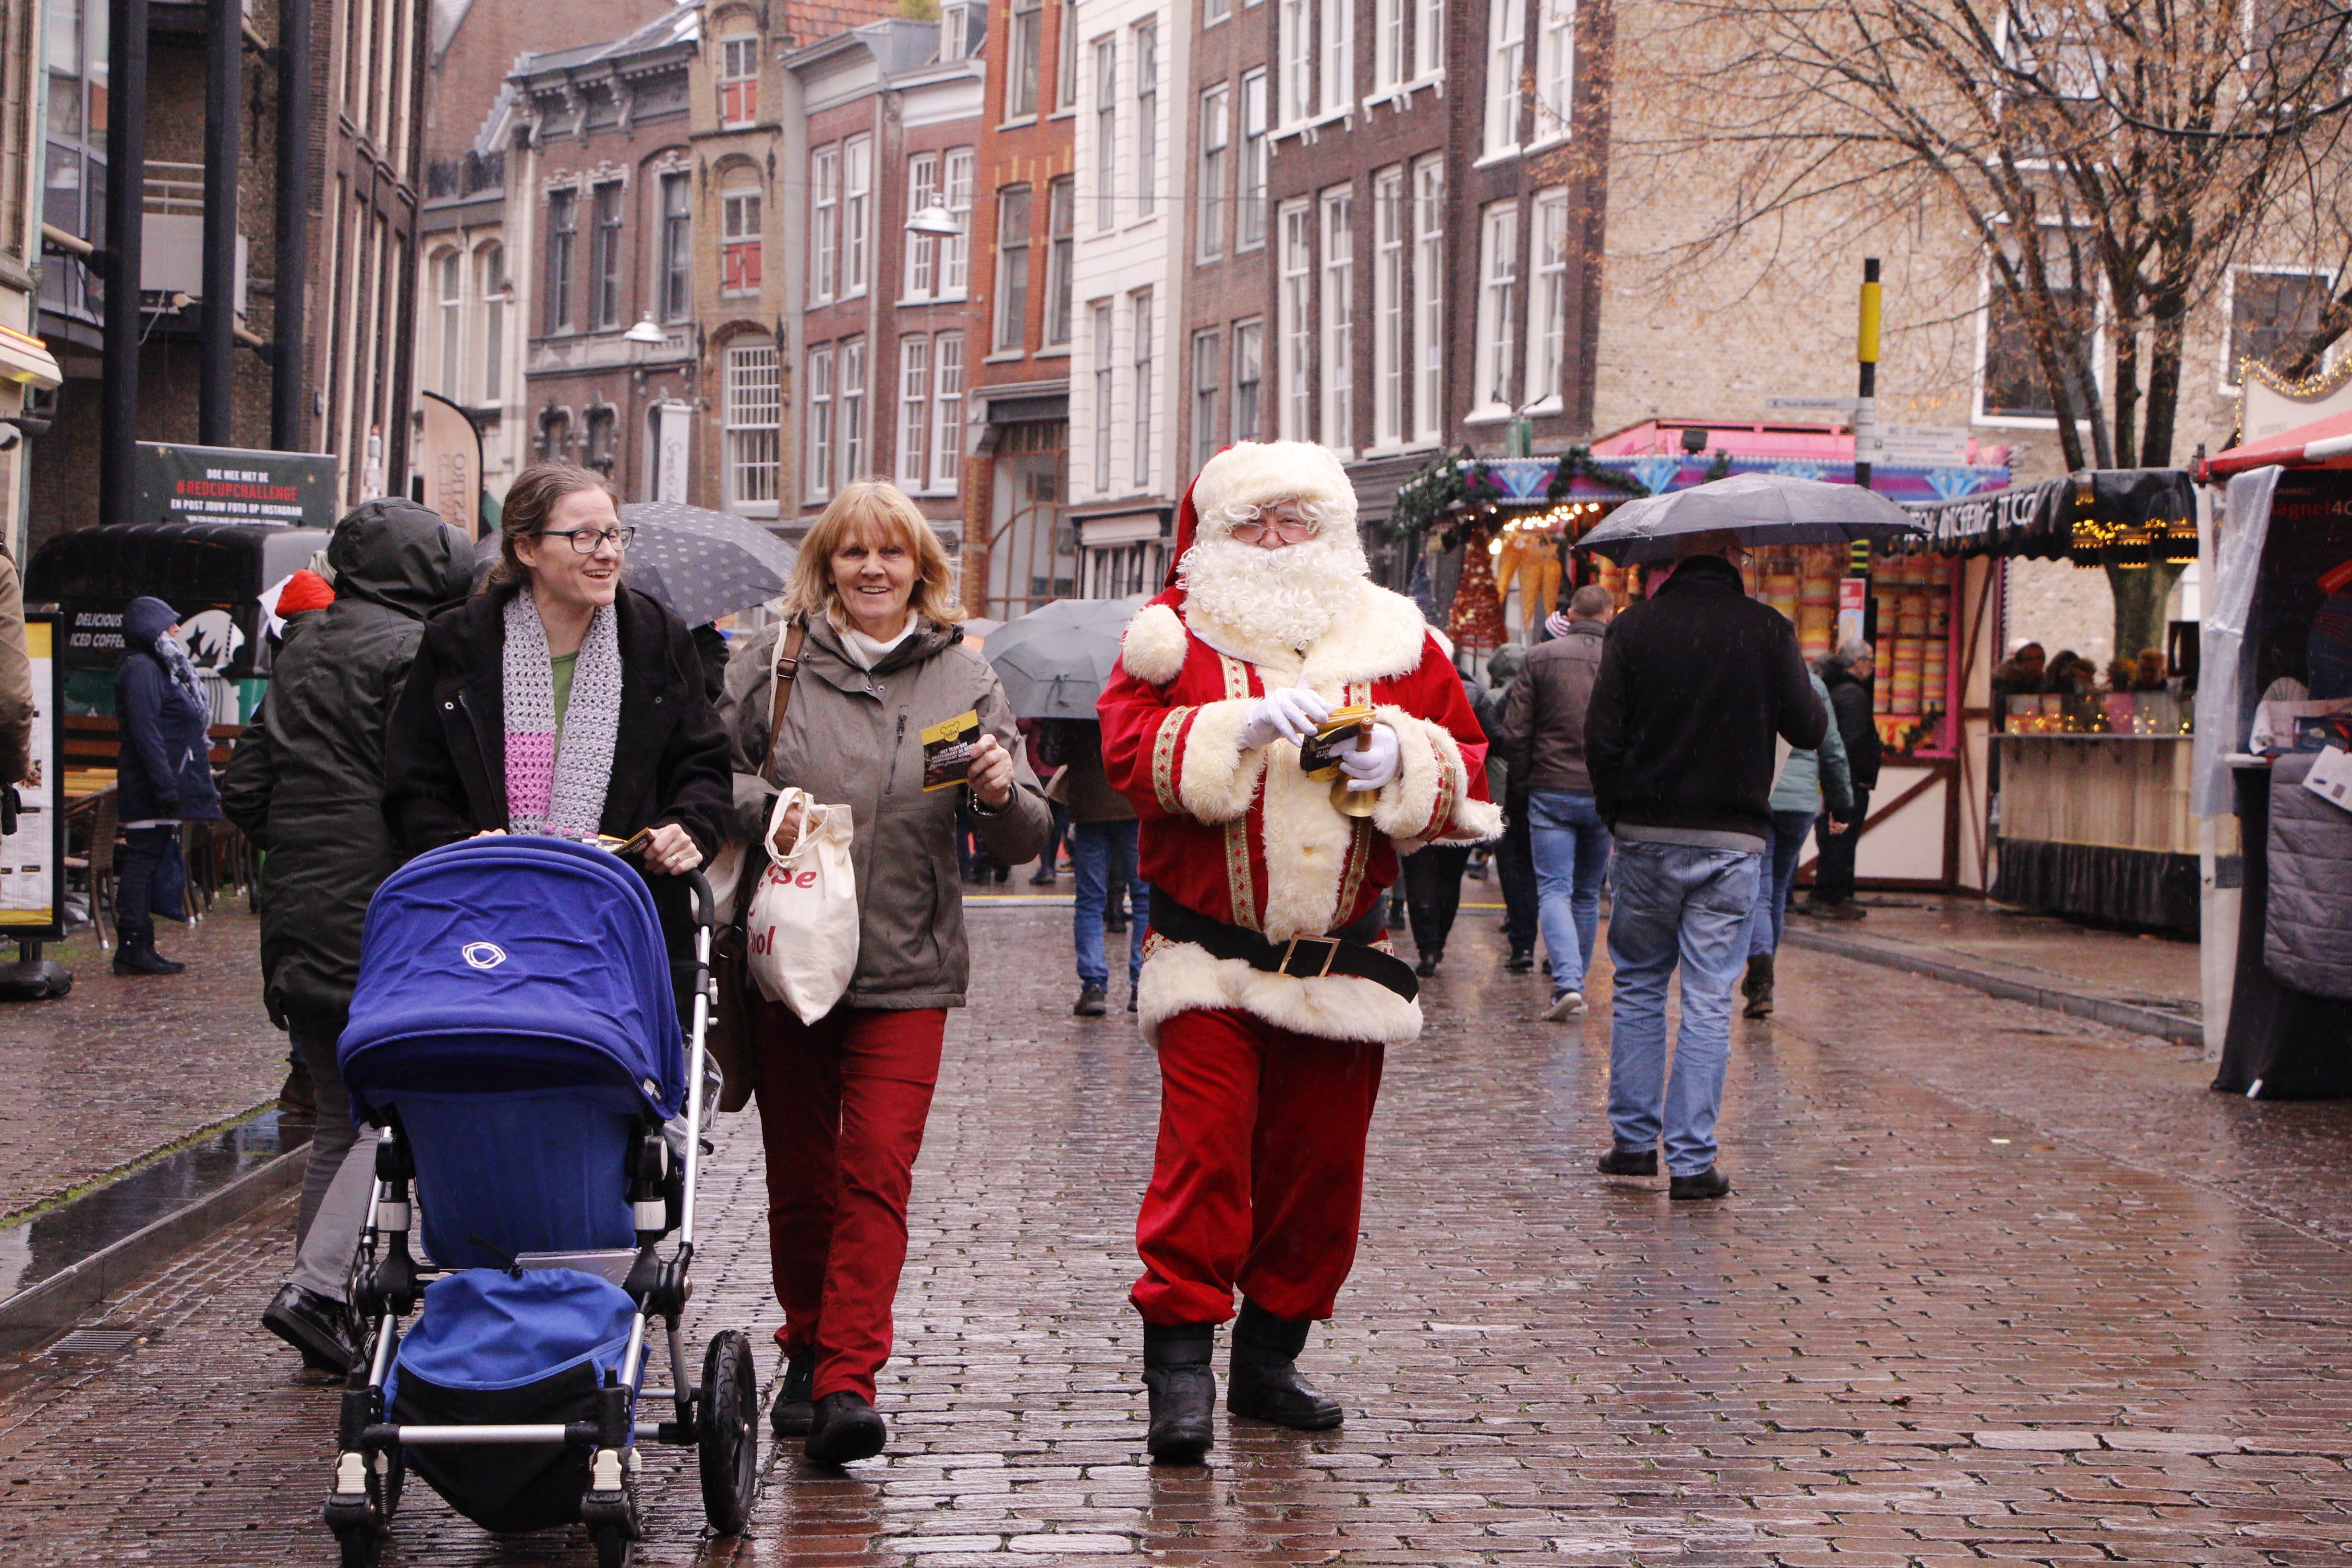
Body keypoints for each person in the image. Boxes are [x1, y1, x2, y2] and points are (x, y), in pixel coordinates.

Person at [1098, 441, 1498, 1464]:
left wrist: (1396, 757)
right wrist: (1230, 727)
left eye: (1296, 522)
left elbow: (1468, 773)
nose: (1275, 542)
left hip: (1338, 964)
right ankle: (1179, 1372)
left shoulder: (1396, 638)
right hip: (1206, 958)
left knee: (1320, 1173)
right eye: (1254, 524)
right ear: (1216, 537)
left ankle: (1270, 1359)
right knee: (1204, 1158)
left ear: (1330, 533)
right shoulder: (1170, 636)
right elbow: (1121, 754)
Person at [717, 479, 1048, 1465]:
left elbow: (1025, 827)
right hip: (788, 960)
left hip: (908, 961)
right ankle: (808, 1338)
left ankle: (847, 1382)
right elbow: (704, 773)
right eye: (854, 553)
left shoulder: (964, 682)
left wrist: (998, 791)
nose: (873, 569)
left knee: (875, 1171)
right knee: (803, 1179)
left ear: (921, 570)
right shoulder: (770, 666)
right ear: (825, 565)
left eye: (892, 554)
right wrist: (763, 807)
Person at [221, 500, 474, 1374]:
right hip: (379, 912)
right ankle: (315, 1288)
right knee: (391, 1106)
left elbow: (246, 789)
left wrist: (300, 846)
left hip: (297, 911)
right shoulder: (409, 653)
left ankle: (321, 1314)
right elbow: (424, 788)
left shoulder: (305, 646)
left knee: (338, 1115)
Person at [381, 462, 731, 978]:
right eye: (584, 537)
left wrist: (686, 829)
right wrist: (459, 844)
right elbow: (412, 785)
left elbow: (702, 766)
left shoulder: (657, 638)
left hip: (624, 926)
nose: (608, 553)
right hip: (481, 922)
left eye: (614, 535)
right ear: (526, 549)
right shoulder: (459, 643)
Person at [1583, 530, 1826, 1201]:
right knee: (1708, 997)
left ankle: (1633, 1147)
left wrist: (1616, 812)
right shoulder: (1767, 629)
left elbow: (1599, 736)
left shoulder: (1634, 629)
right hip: (1732, 837)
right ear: (1729, 559)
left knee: (1636, 984)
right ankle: (1691, 1162)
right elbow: (1808, 727)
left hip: (1646, 831)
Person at [1496, 583, 1615, 1021]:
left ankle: (1568, 983)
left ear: (1570, 613)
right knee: (1586, 893)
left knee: (1555, 889)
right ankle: (1573, 981)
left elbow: (1516, 730)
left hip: (1551, 788)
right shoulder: (1621, 658)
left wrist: (1525, 782)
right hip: (1602, 790)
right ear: (1608, 613)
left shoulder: (1541, 657)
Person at [111, 597, 221, 974]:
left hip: (156, 782)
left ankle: (142, 943)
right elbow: (147, 733)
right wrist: (165, 786)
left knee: (151, 855)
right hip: (148, 787)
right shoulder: (143, 670)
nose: (176, 630)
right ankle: (132, 944)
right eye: (168, 624)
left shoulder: (156, 668)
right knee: (142, 859)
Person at [1742, 669, 1852, 1018]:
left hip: (1760, 794)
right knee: (1777, 887)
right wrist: (1842, 800)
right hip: (1801, 803)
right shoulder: (1813, 684)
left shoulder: (1752, 677)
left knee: (1760, 887)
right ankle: (1764, 973)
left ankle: (1761, 976)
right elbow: (1832, 746)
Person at [1034, 718, 1148, 1015]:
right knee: (1144, 900)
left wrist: (1052, 726)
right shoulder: (1129, 695)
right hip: (1132, 805)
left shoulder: (1073, 709)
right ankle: (1143, 984)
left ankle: (1094, 986)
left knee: (1090, 901)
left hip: (1089, 809)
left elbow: (1051, 756)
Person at [1399, 657, 1484, 977]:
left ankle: (1428, 947)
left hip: (1418, 796)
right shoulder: (1477, 696)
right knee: (1450, 877)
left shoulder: (1409, 692)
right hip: (1461, 798)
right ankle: (1439, 942)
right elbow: (1497, 741)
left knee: (1420, 874)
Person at [1801, 639, 1881, 922]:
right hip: (1849, 782)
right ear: (1858, 661)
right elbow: (1852, 742)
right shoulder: (1853, 695)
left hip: (1838, 780)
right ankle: (1829, 897)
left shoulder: (1837, 692)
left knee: (1833, 837)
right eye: (1870, 660)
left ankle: (1831, 894)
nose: (1873, 666)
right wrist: (1857, 779)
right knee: (1841, 839)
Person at [1471, 643, 1538, 972]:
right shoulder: (1535, 687)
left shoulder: (1497, 698)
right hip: (1534, 786)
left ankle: (1520, 928)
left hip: (1504, 788)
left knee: (1514, 860)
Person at [1991, 640, 2046, 729]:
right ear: (2020, 663)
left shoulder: (2045, 685)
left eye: (2040, 658)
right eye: (2030, 659)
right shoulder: (2007, 685)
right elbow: (2002, 720)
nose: (2036, 663)